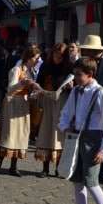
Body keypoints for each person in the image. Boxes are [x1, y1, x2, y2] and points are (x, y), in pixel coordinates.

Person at [58, 57, 103, 204]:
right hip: (77, 136)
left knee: (91, 182)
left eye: (78, 75)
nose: (75, 78)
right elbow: (67, 111)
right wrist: (65, 125)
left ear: (90, 75)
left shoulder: (101, 93)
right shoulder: (76, 90)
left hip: (94, 139)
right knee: (77, 180)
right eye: (74, 74)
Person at [0, 45, 42, 177]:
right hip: (13, 104)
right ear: (29, 58)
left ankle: (13, 166)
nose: (37, 61)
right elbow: (10, 88)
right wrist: (23, 83)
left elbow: (28, 90)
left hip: (24, 104)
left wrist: (34, 93)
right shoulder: (16, 69)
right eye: (36, 58)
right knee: (8, 133)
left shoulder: (30, 72)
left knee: (20, 134)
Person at [79, 35, 103, 186]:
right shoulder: (84, 63)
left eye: (92, 51)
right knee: (88, 139)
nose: (89, 54)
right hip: (87, 105)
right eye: (87, 51)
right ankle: (85, 168)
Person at [34, 43, 73, 178]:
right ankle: (45, 168)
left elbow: (73, 86)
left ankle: (58, 168)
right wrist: (39, 89)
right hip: (47, 100)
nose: (58, 56)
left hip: (62, 103)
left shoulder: (69, 67)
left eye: (61, 54)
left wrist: (70, 86)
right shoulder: (46, 65)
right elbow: (38, 82)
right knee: (46, 132)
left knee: (59, 134)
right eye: (56, 53)